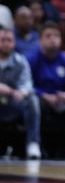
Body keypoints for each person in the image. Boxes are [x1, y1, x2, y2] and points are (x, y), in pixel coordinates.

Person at [27, 22, 65, 159]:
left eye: (56, 36)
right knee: (35, 104)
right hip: (42, 98)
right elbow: (27, 85)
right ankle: (39, 146)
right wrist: (44, 95)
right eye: (48, 36)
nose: (53, 39)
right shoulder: (31, 59)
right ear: (40, 40)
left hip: (61, 100)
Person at [0, 26, 40, 159]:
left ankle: (33, 144)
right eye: (2, 40)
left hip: (12, 102)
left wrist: (21, 92)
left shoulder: (21, 61)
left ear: (14, 42)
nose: (6, 43)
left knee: (32, 99)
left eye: (9, 40)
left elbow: (27, 83)